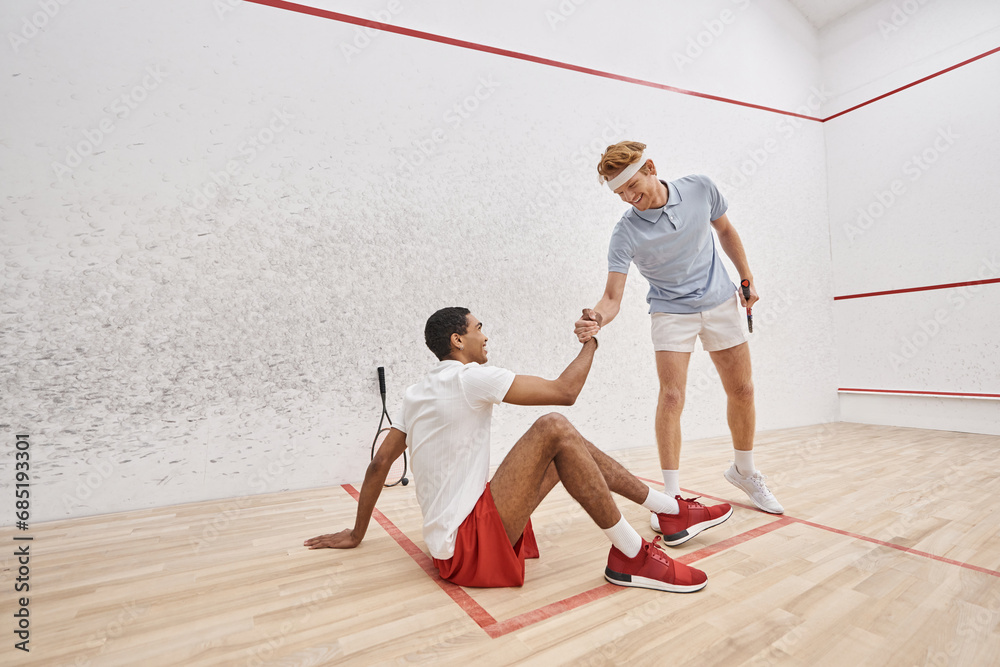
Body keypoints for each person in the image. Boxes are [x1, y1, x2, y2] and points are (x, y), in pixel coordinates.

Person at [305, 307, 732, 592]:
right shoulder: (471, 378)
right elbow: (565, 393)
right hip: (467, 549)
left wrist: (357, 532)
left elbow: (380, 462)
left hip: (450, 546)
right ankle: (633, 553)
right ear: (458, 340)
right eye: (478, 329)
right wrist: (592, 341)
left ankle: (668, 511)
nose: (485, 336)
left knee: (567, 445)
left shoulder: (416, 392)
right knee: (555, 426)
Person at [574, 141, 784, 528]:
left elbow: (725, 230)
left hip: (721, 301)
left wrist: (746, 276)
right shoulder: (625, 233)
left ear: (651, 167)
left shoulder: (701, 188)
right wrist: (597, 319)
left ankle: (744, 471)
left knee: (743, 390)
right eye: (619, 193)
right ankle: (670, 499)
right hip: (670, 312)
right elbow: (611, 296)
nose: (628, 198)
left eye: (632, 186)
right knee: (671, 397)